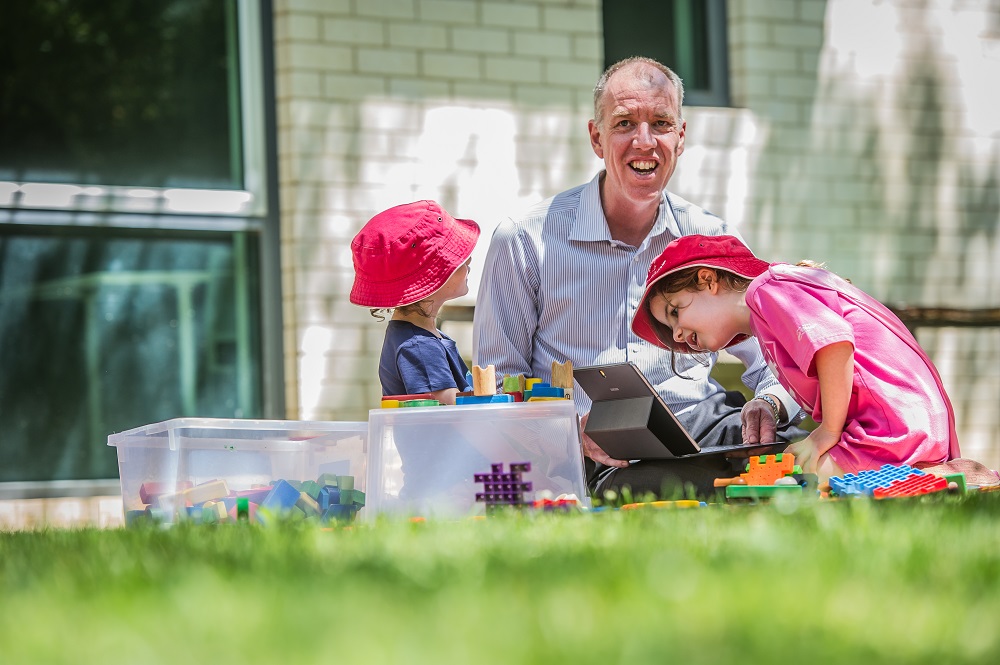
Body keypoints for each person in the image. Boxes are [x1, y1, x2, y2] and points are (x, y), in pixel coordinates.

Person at [473, 56, 805, 498]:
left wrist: (770, 403)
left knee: (802, 460)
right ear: (597, 137)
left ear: (681, 137)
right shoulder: (524, 241)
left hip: (704, 431)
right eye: (625, 123)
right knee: (665, 487)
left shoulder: (713, 238)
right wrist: (569, 432)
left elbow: (775, 359)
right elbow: (496, 390)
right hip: (592, 455)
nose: (644, 141)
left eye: (661, 123)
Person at [631, 233, 961, 483]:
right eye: (668, 326)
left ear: (708, 279)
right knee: (788, 473)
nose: (675, 334)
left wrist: (828, 433)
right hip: (902, 424)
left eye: (674, 311)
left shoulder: (767, 288)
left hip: (893, 432)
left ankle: (929, 474)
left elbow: (835, 344)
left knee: (795, 483)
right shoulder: (767, 309)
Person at [350, 200, 480, 405]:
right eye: (461, 260)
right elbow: (451, 411)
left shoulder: (422, 337)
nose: (469, 263)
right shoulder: (420, 346)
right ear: (434, 276)